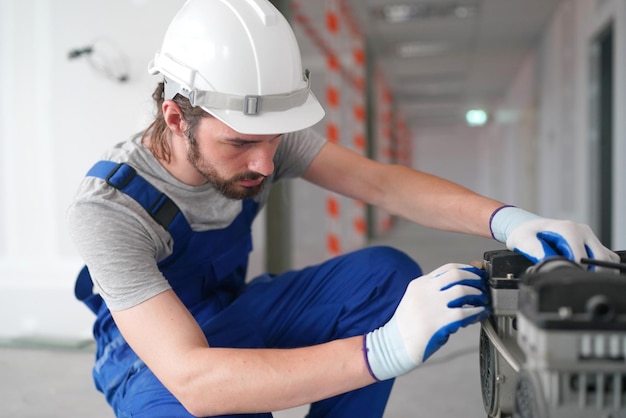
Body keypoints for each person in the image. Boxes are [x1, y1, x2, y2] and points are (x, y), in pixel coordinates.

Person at [67, 0, 619, 417]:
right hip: (153, 362)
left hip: (232, 314)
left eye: (276, 138)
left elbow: (384, 185)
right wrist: (381, 352)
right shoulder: (111, 210)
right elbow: (192, 377)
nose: (264, 162)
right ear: (174, 118)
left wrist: (511, 220)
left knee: (384, 279)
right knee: (216, 403)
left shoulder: (258, 140)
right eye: (239, 143)